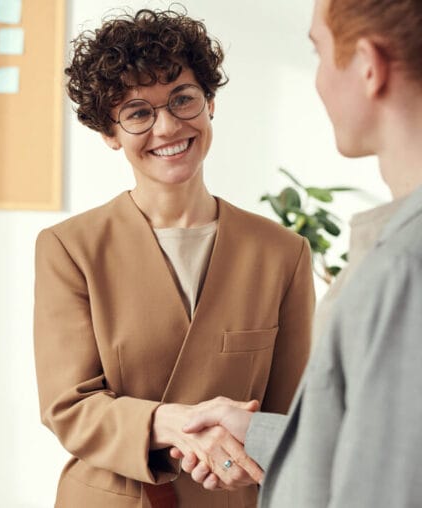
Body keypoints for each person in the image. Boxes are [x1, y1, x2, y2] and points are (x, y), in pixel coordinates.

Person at [33, 8, 315, 507]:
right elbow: (69, 408)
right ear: (109, 132)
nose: (167, 127)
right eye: (138, 112)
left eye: (182, 99)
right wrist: (184, 427)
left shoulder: (282, 253)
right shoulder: (69, 248)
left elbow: (290, 421)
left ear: (209, 104)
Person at [177, 0, 422, 505]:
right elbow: (376, 433)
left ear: (369, 66)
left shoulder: (402, 268)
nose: (317, 82)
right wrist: (260, 432)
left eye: (319, 52)